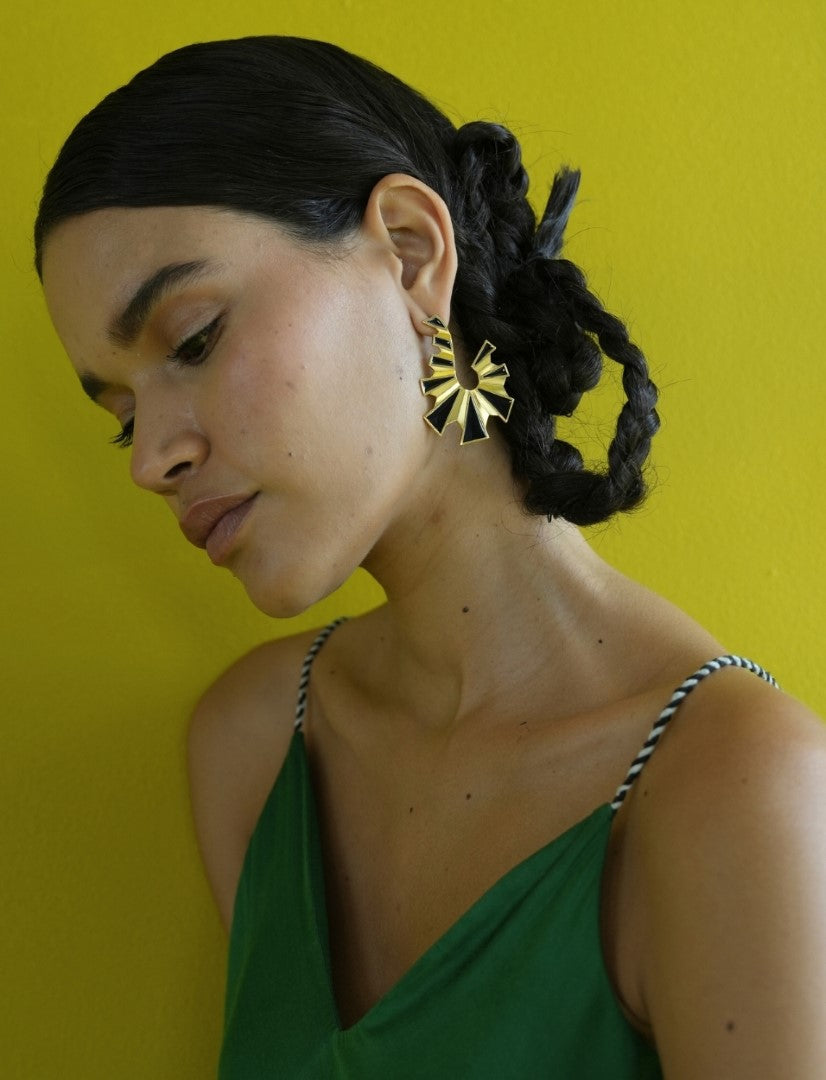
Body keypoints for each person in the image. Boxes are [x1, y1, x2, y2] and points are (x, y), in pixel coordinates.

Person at [35, 35, 826, 1079]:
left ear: (410, 252)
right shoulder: (254, 745)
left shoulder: (733, 794)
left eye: (193, 340)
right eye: (120, 416)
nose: (150, 459)